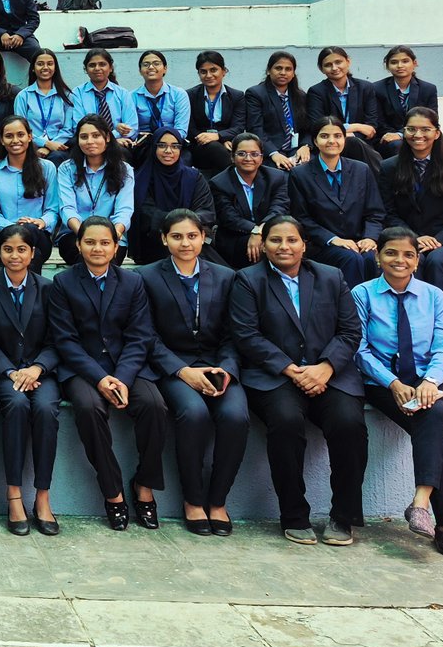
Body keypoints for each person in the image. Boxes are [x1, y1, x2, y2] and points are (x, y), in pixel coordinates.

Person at [229, 214, 368, 546]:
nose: (284, 246)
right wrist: (291, 369)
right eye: (275, 240)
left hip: (329, 375)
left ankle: (343, 515)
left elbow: (350, 331)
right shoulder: (247, 280)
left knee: (349, 424)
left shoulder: (331, 276)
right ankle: (294, 515)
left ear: (305, 245)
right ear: (263, 245)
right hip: (275, 377)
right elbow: (246, 335)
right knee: (286, 421)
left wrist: (325, 368)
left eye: (292, 240)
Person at [353, 227, 443, 560]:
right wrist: (393, 383)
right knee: (435, 421)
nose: (400, 260)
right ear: (378, 257)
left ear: (418, 261)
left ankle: (421, 503)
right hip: (381, 382)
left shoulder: (434, 297)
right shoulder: (362, 294)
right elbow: (359, 349)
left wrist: (431, 381)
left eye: (408, 254)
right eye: (391, 252)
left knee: (434, 410)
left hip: (427, 378)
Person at [50, 217, 167, 531]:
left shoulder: (133, 282)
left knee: (154, 405)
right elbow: (65, 340)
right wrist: (100, 378)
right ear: (78, 245)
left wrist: (123, 378)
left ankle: (144, 485)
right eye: (90, 242)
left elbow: (140, 336)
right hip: (82, 367)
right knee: (89, 409)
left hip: (127, 365)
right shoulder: (63, 282)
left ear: (116, 248)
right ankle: (112, 491)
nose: (97, 248)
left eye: (105, 242)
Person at [141, 209, 246, 536]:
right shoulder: (146, 277)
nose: (185, 243)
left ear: (204, 237)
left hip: (218, 364)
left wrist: (226, 370)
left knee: (235, 417)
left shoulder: (226, 276)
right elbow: (146, 335)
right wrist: (182, 371)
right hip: (175, 366)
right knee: (194, 414)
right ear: (164, 239)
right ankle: (193, 499)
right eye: (177, 236)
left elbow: (235, 333)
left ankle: (218, 501)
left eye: (192, 236)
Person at [0, 224, 60, 536]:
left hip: (41, 372)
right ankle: (14, 495)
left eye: (22, 249)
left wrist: (37, 368)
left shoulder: (48, 288)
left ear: (33, 253)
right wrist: (11, 372)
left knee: (45, 410)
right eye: (8, 249)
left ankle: (42, 497)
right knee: (15, 405)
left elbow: (59, 339)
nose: (15, 255)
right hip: (4, 371)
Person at [377, 106, 443, 301]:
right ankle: (412, 316)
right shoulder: (389, 167)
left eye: (425, 129)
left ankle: (441, 319)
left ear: (437, 133)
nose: (418, 135)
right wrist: (414, 239)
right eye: (411, 129)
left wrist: (438, 239)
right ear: (404, 132)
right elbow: (388, 212)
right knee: (414, 260)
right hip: (410, 239)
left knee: (438, 260)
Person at [288, 116, 384, 285]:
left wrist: (370, 237)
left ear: (344, 139)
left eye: (338, 136)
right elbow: (301, 218)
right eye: (324, 136)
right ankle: (350, 302)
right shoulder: (300, 174)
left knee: (369, 257)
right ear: (315, 141)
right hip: (322, 244)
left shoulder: (361, 169)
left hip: (359, 241)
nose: (332, 141)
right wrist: (333, 239)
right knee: (351, 258)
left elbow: (375, 212)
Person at [128, 131, 216, 267]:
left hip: (191, 238)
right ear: (154, 147)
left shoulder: (194, 177)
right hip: (158, 240)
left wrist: (186, 228)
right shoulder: (142, 179)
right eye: (162, 145)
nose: (168, 151)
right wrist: (177, 229)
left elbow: (205, 210)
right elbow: (146, 214)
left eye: (175, 146)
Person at [56, 114, 133, 264]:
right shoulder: (67, 169)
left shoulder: (124, 170)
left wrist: (113, 234)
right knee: (83, 257)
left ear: (107, 137)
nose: (90, 141)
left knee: (107, 258)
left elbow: (124, 210)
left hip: (112, 236)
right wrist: (85, 235)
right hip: (75, 234)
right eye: (84, 137)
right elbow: (67, 208)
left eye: (96, 135)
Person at [208, 133, 289, 270]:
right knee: (264, 247)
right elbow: (229, 218)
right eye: (242, 154)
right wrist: (255, 231)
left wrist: (260, 230)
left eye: (254, 154)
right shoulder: (219, 183)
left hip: (269, 230)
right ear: (232, 157)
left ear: (261, 158)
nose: (248, 158)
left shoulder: (276, 177)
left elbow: (279, 207)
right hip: (235, 236)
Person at [0, 116, 61, 265]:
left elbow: (53, 208)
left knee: (29, 231)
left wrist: (41, 221)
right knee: (33, 255)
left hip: (37, 235)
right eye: (9, 136)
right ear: (2, 140)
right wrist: (12, 227)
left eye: (20, 135)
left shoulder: (47, 168)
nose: (15, 140)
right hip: (3, 235)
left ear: (30, 136)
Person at [305, 46, 382, 167]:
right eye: (328, 65)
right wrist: (355, 128)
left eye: (338, 62)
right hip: (330, 144)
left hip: (362, 143)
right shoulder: (316, 92)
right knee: (353, 142)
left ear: (348, 61)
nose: (334, 68)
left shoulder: (365, 88)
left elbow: (371, 127)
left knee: (355, 143)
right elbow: (317, 126)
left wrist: (351, 135)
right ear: (321, 69)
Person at [242, 50, 311, 169]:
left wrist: (306, 146)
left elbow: (308, 127)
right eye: (278, 68)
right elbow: (255, 129)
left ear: (293, 73)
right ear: (269, 71)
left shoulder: (300, 96)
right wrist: (273, 153)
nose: (283, 73)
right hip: (270, 151)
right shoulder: (256, 94)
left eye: (288, 69)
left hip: (296, 149)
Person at [12, 48, 77, 162]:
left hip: (59, 147)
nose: (45, 67)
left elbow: (68, 129)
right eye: (40, 64)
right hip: (30, 146)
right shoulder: (23, 96)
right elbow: (20, 129)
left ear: (55, 68)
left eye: (50, 64)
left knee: (57, 157)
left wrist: (50, 146)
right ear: (33, 68)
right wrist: (44, 143)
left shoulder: (66, 96)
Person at [128, 50, 191, 167]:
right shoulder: (132, 96)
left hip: (173, 143)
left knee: (184, 160)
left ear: (165, 69)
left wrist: (165, 144)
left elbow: (181, 130)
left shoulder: (179, 94)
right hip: (145, 145)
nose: (151, 67)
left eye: (156, 63)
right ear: (140, 71)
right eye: (146, 64)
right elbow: (132, 129)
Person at [374, 45, 439, 157]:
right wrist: (395, 136)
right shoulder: (377, 88)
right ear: (387, 66)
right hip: (387, 138)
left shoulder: (428, 89)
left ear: (414, 63)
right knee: (397, 145)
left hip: (419, 135)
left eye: (405, 61)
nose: (400, 66)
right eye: (394, 62)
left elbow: (432, 119)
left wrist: (402, 134)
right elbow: (378, 121)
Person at [187, 50, 244, 173]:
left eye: (213, 70)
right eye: (203, 72)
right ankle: (237, 177)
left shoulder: (236, 96)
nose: (208, 75)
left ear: (224, 71)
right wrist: (217, 140)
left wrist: (219, 136)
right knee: (214, 147)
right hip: (198, 146)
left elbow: (238, 127)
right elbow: (190, 128)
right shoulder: (189, 95)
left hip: (228, 144)